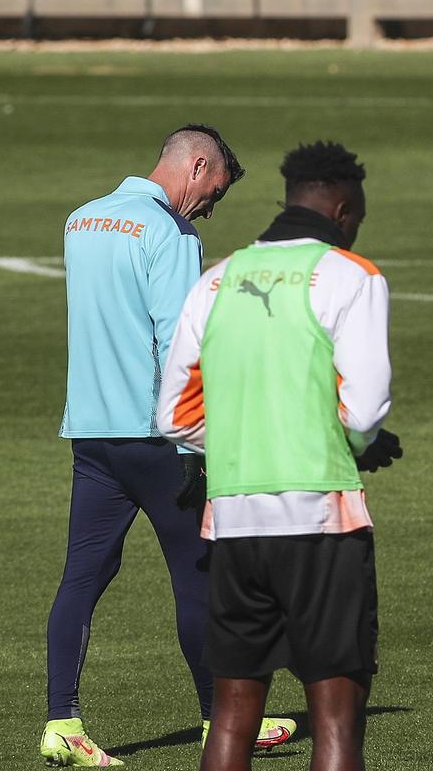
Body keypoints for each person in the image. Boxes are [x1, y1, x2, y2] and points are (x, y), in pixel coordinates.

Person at [44, 124, 295, 767]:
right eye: (212, 192)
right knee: (198, 575)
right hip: (160, 438)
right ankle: (222, 724)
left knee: (84, 574)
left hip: (93, 433)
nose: (210, 207)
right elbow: (180, 342)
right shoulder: (170, 232)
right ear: (197, 165)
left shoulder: (83, 220)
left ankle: (61, 725)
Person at [157, 141, 401, 771]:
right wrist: (345, 443)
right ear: (343, 210)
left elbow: (175, 418)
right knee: (336, 718)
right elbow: (366, 411)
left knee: (233, 714)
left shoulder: (218, 279)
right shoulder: (352, 276)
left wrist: (251, 438)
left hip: (234, 525)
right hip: (320, 521)